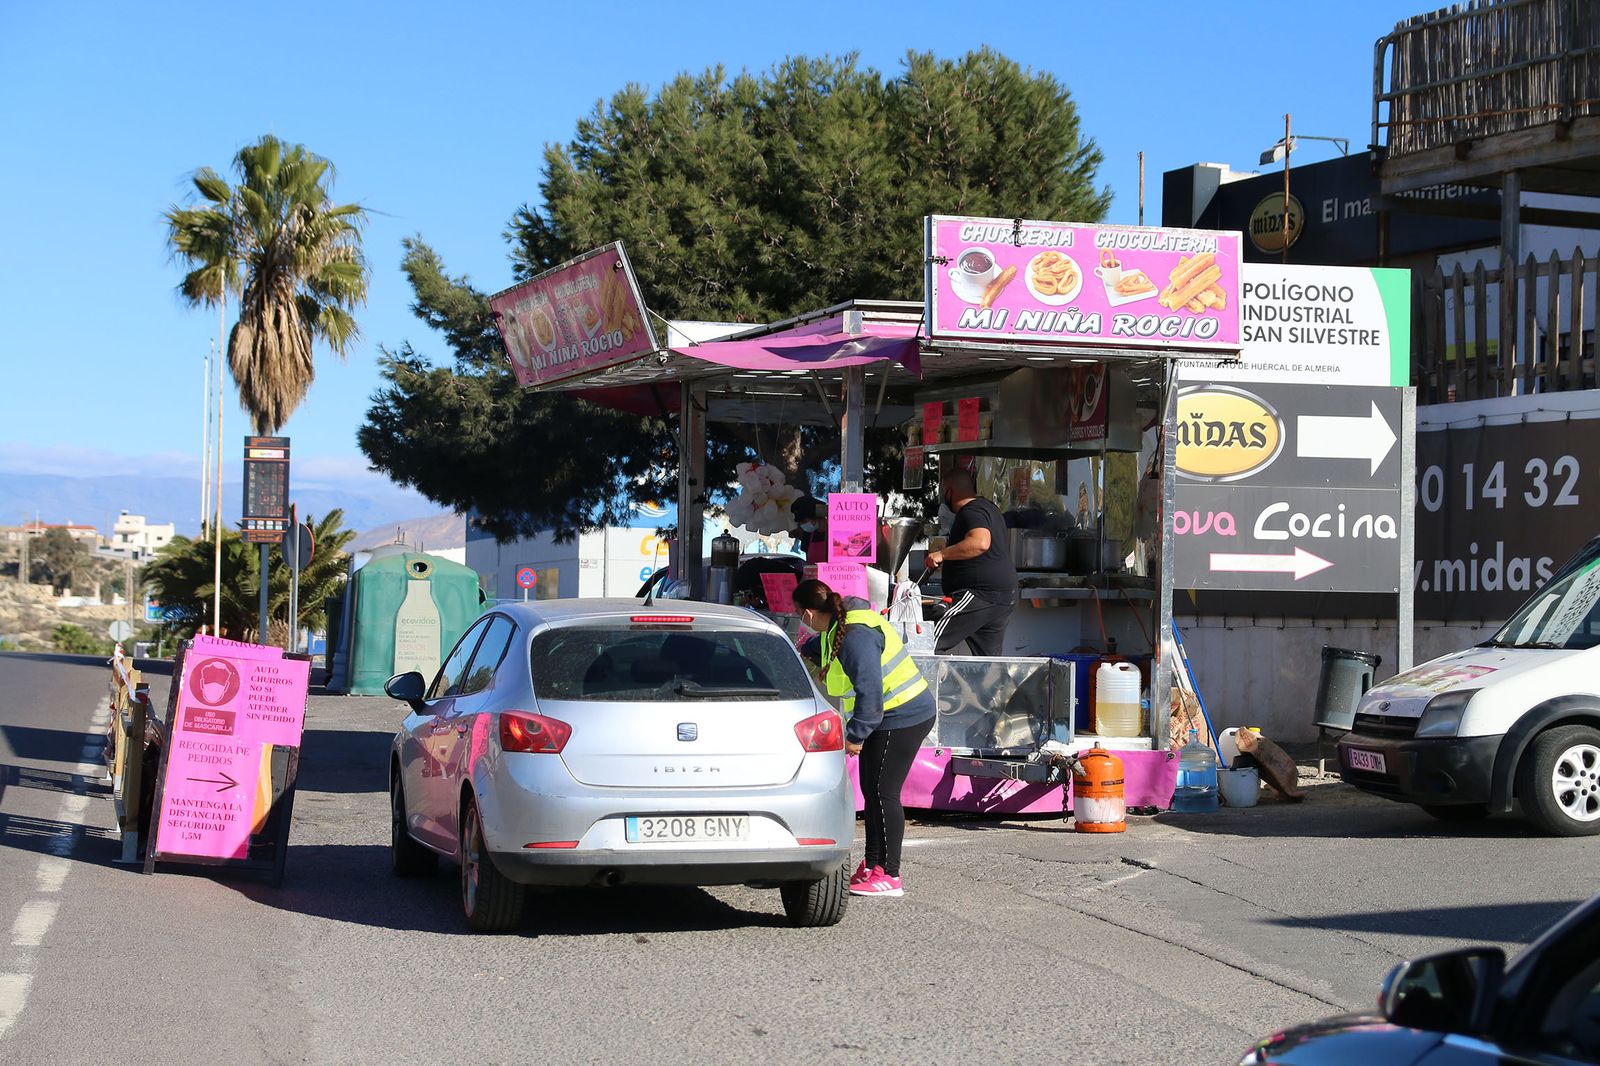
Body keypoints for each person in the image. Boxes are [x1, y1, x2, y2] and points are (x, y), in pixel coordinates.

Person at [793, 578, 935, 898]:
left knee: (884, 793)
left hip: (903, 716)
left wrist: (855, 736)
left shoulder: (856, 636)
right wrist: (804, 648)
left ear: (807, 614)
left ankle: (890, 874)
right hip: (888, 716)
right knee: (872, 791)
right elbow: (824, 646)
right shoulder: (841, 625)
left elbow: (870, 699)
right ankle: (873, 866)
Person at [924, 468, 1018, 656]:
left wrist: (942, 555)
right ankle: (993, 686)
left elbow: (980, 542)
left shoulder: (971, 511)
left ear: (949, 491)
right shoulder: (988, 508)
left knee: (926, 642)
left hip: (978, 594)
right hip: (1001, 597)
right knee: (988, 663)